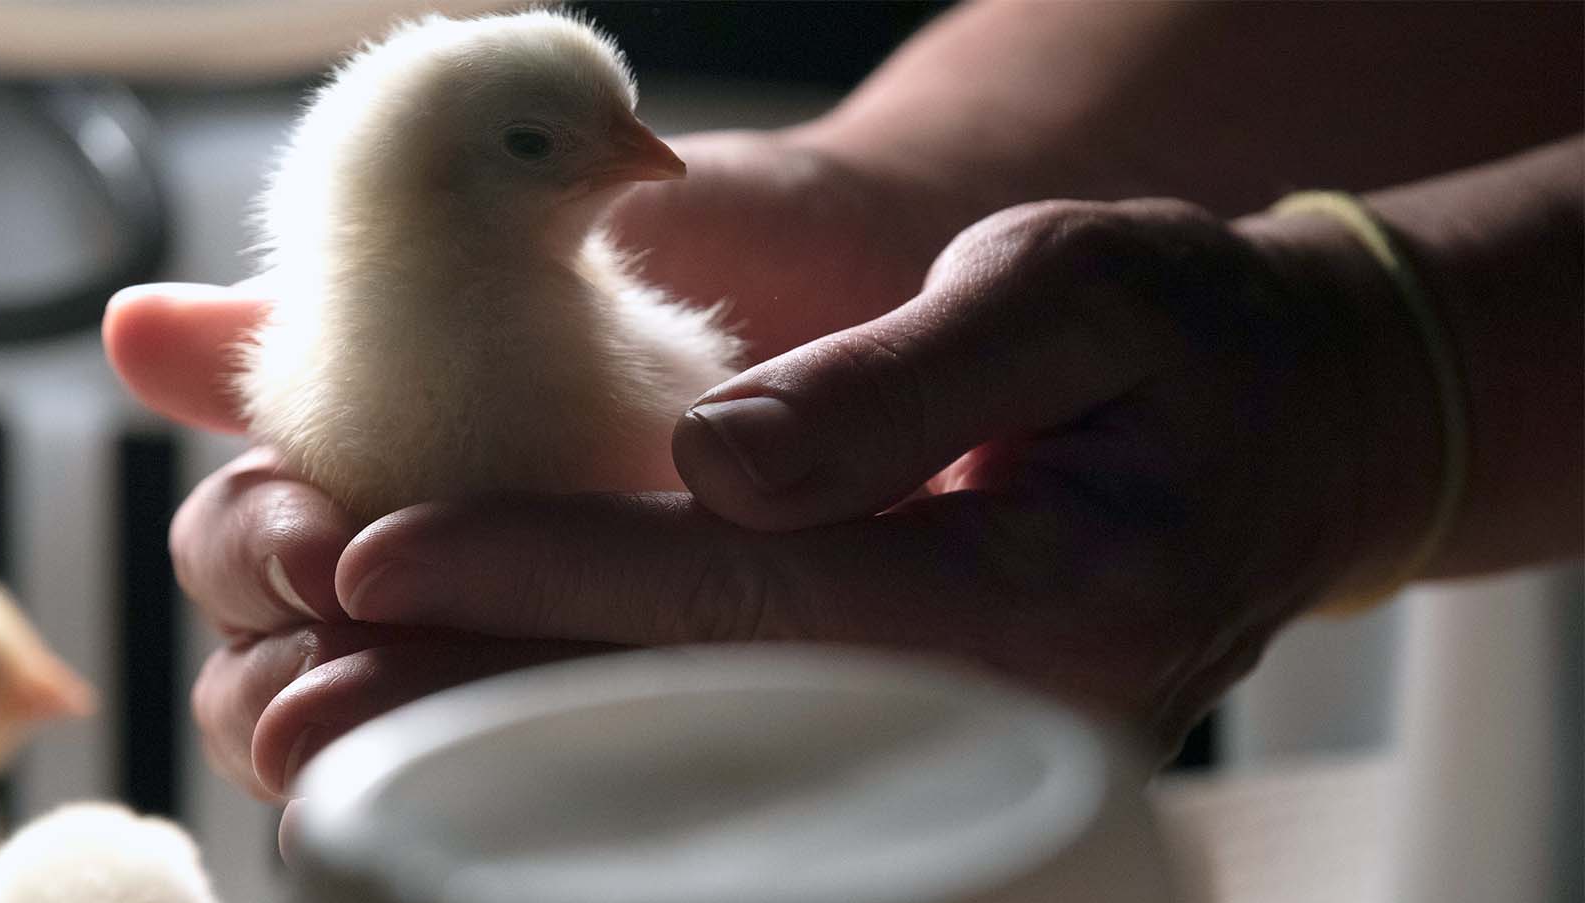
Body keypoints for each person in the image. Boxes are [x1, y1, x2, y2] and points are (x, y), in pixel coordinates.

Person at [104, 1, 1582, 803]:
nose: (645, 159)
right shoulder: (416, 326)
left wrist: (1379, 369)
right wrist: (891, 206)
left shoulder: (477, 324)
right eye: (566, 143)